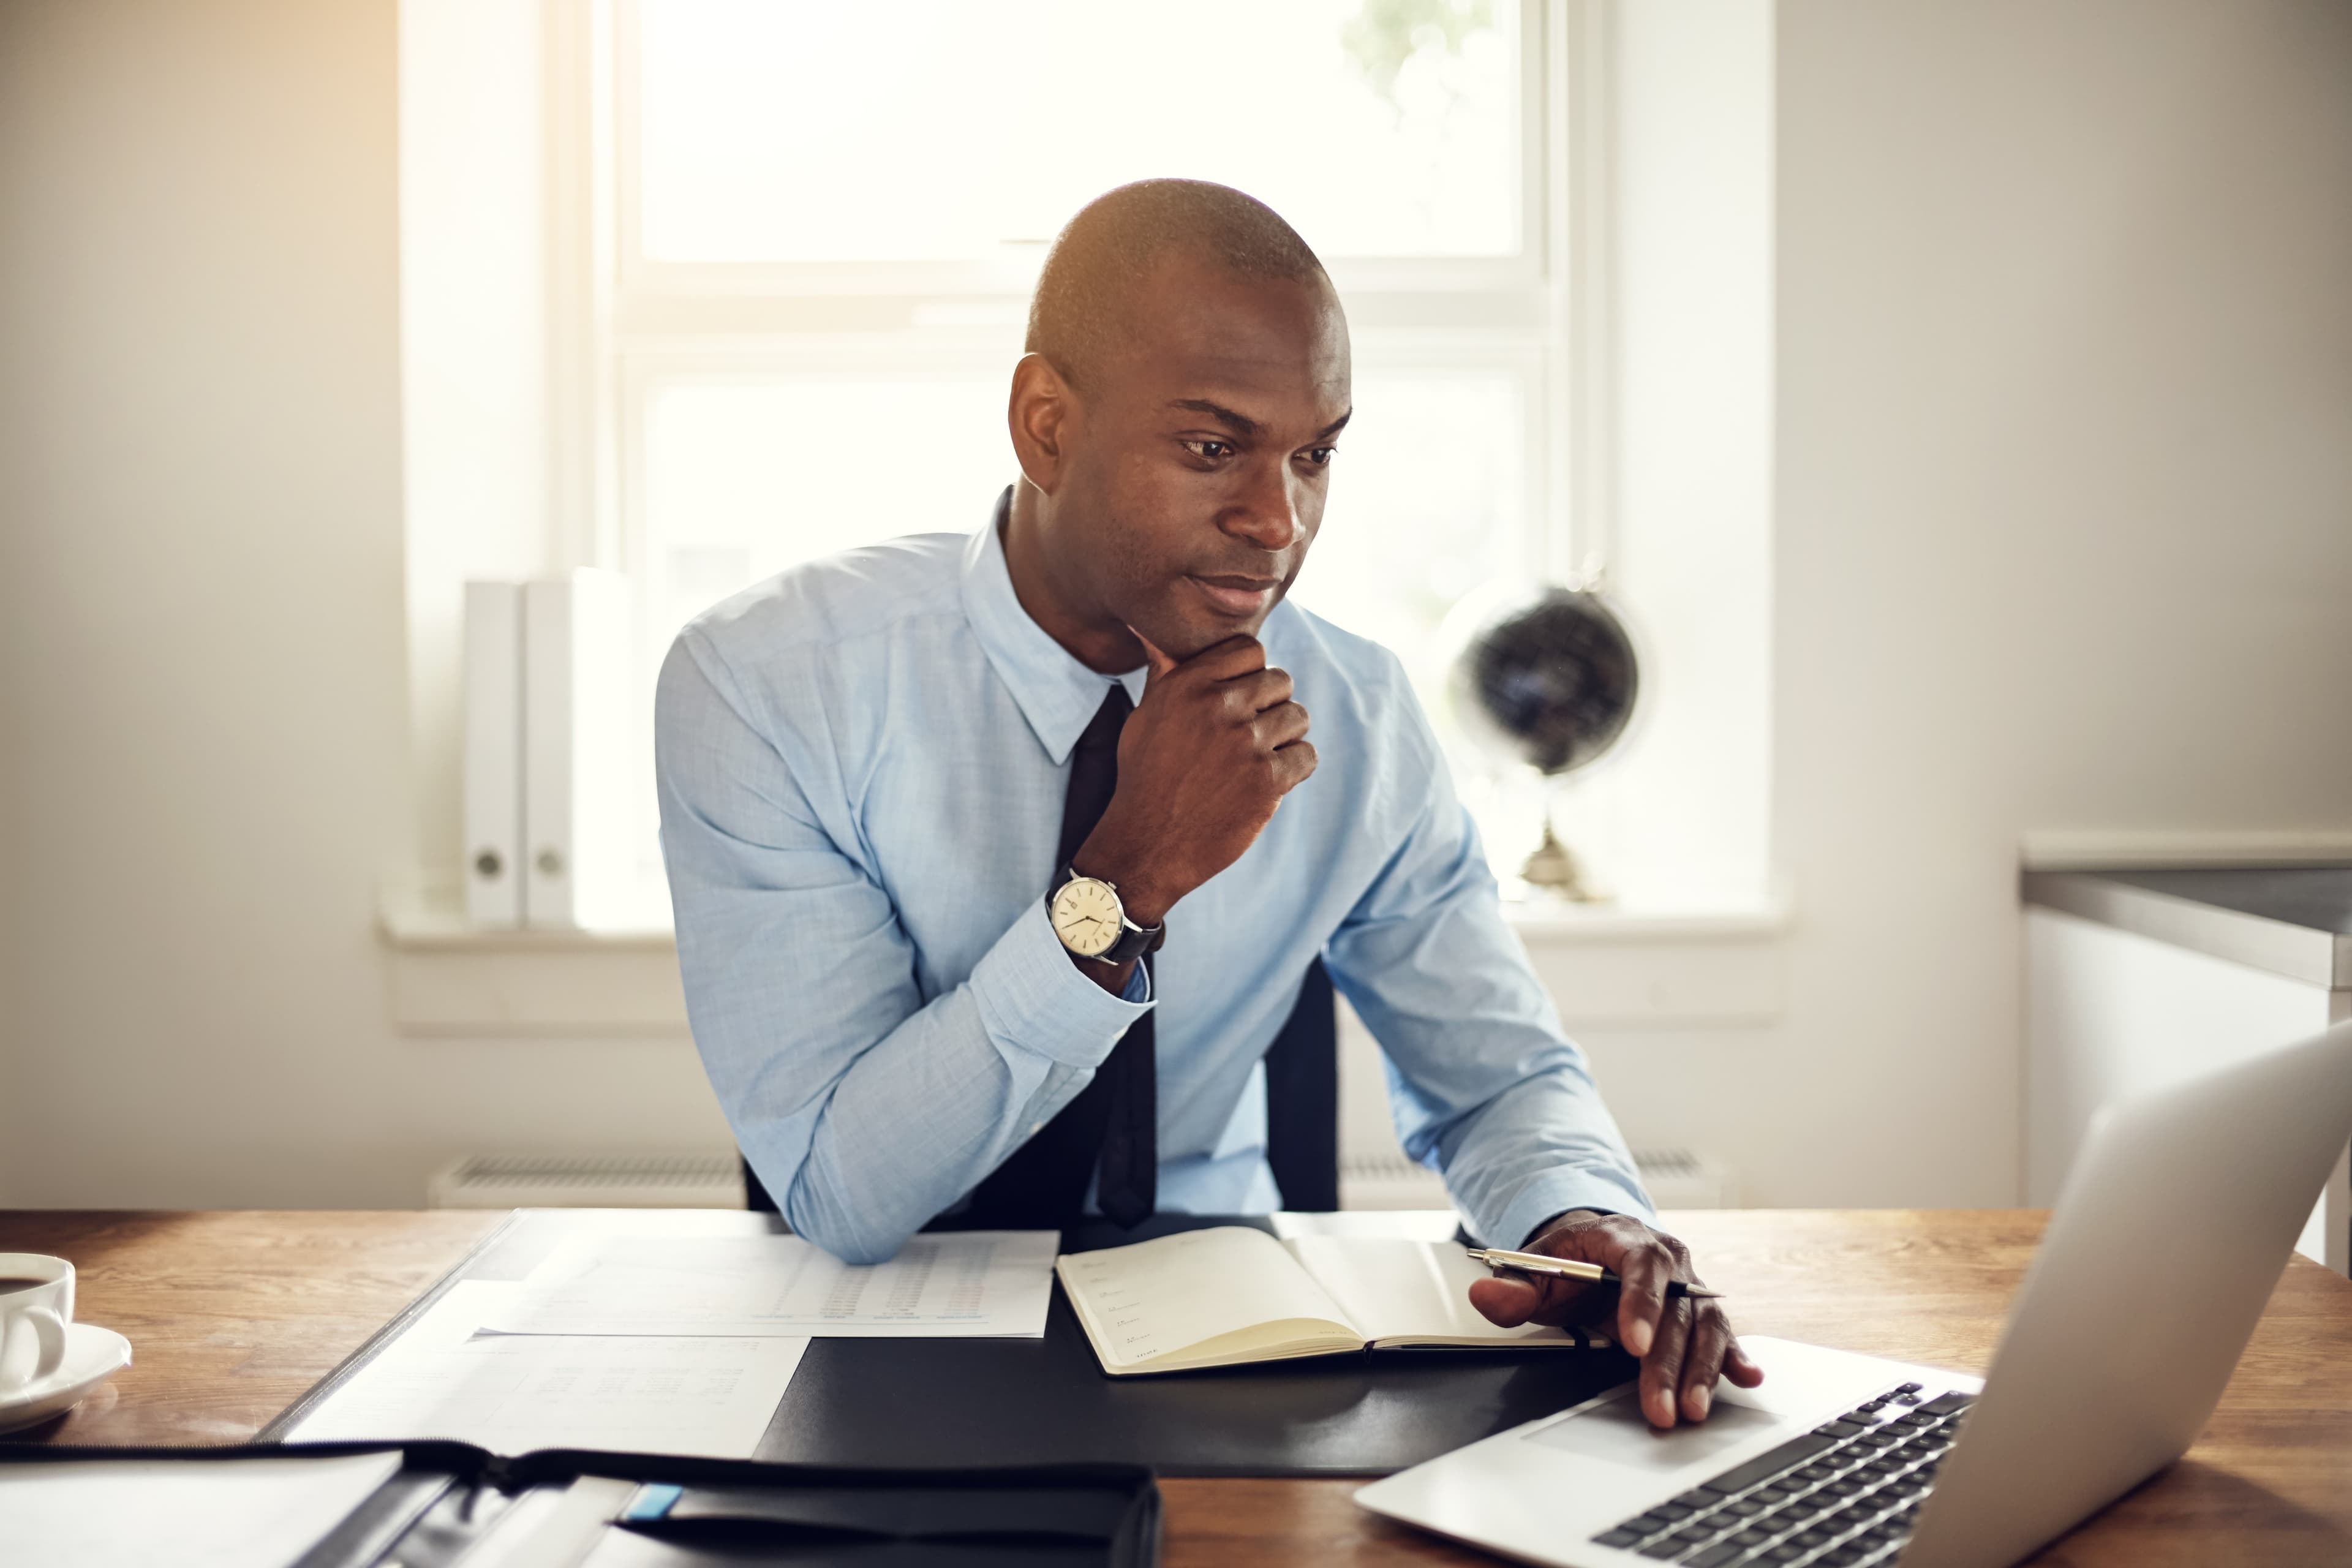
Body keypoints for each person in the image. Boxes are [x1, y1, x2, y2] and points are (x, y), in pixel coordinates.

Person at [655, 178, 1760, 1428]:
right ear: (1046, 426)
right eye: (1213, 447)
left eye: (1315, 453)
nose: (1277, 520)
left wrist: (1582, 1220)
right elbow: (844, 1193)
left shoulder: (1362, 715)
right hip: (871, 1342)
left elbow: (1495, 1077)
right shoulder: (766, 683)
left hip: (1237, 1344)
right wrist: (1121, 887)